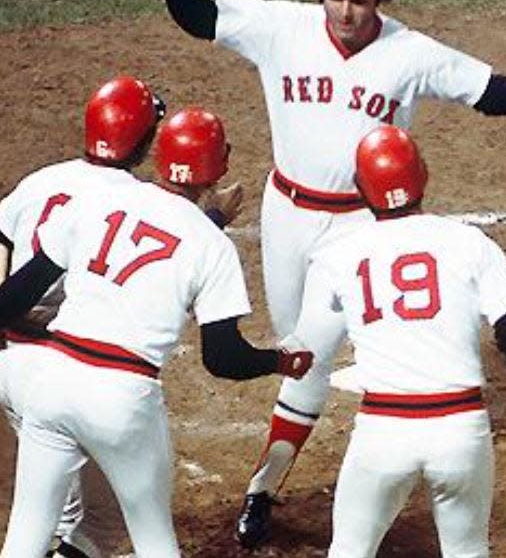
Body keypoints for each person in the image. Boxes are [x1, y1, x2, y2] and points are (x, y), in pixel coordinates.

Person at [151, 0, 506, 547]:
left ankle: (263, 489)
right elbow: (203, 18)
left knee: (315, 361)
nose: (346, 10)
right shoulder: (282, 28)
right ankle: (301, 467)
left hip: (360, 227)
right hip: (287, 215)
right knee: (298, 350)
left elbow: (486, 91)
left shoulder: (410, 52)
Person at [0, 105, 313, 558]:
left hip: (50, 382)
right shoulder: (211, 244)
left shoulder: (96, 201)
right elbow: (222, 359)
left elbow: (11, 299)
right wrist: (280, 360)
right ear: (217, 168)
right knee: (155, 542)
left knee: (25, 536)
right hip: (122, 400)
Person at [281, 124, 506, 557]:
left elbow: (306, 350)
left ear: (360, 189)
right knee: (467, 551)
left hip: (383, 433)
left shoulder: (335, 256)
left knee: (350, 550)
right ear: (423, 176)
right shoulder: (470, 242)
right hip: (460, 431)